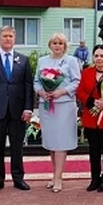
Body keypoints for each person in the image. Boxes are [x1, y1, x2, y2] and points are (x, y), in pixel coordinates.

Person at [0, 25, 34, 193]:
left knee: (17, 146)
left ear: (14, 38)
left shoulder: (23, 60)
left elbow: (28, 86)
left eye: (10, 36)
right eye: (5, 36)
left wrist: (28, 109)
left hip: (17, 111)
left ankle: (18, 178)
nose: (8, 39)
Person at [34, 33, 82, 193]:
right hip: (47, 104)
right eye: (54, 43)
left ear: (65, 46)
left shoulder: (71, 61)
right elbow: (36, 81)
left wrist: (62, 91)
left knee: (61, 142)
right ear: (50, 45)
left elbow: (76, 81)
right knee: (52, 142)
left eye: (60, 43)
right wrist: (41, 92)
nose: (57, 46)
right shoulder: (42, 61)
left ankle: (59, 177)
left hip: (64, 105)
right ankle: (54, 174)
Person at [75, 44, 103, 192]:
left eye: (102, 56)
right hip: (91, 117)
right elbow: (80, 91)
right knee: (93, 150)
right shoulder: (87, 73)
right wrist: (92, 101)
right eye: (96, 56)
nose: (99, 59)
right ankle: (95, 179)